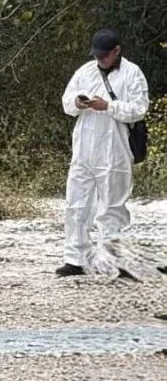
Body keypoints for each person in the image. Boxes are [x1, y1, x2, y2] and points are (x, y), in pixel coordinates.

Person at [57, 29, 149, 277]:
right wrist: (79, 102)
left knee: (112, 206)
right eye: (97, 55)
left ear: (117, 51)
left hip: (115, 148)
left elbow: (139, 109)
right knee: (77, 204)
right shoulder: (85, 71)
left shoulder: (132, 73)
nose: (100, 60)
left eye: (104, 56)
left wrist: (108, 106)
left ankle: (115, 260)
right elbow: (67, 102)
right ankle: (75, 258)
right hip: (84, 148)